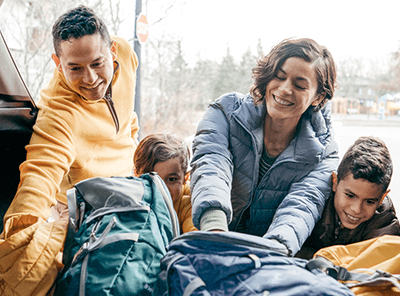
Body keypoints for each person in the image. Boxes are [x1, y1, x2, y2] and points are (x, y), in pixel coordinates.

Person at [190, 37, 338, 256]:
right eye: (279, 77)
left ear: (318, 97)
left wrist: (275, 251)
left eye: (299, 85)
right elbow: (211, 163)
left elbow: (304, 203)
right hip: (212, 236)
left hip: (268, 253)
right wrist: (214, 229)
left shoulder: (325, 151)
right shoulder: (226, 111)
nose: (285, 89)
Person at [3, 5, 139, 236]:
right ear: (58, 62)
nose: (91, 79)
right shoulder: (58, 111)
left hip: (132, 185)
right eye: (75, 68)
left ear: (113, 51)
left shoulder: (126, 54)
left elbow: (128, 120)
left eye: (97, 63)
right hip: (90, 209)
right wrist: (19, 231)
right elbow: (40, 173)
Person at [296, 136, 400, 259]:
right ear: (335, 182)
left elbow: (374, 266)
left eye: (369, 202)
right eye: (350, 195)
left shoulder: (385, 227)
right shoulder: (313, 204)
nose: (356, 209)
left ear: (382, 198)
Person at [134, 133, 197, 233]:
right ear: (136, 175)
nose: (161, 188)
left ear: (186, 177)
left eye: (172, 179)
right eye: (151, 179)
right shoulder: (131, 199)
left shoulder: (190, 201)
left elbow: (195, 237)